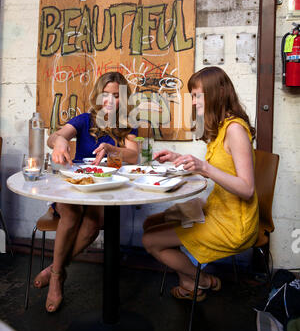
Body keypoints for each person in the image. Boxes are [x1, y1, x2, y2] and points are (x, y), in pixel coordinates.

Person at [142, 66, 259, 301]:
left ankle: (201, 281)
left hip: (234, 224)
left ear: (218, 92)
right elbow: (222, 170)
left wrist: (204, 167)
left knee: (150, 241)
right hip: (215, 209)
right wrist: (178, 160)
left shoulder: (235, 130)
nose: (193, 102)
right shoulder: (220, 128)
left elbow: (246, 189)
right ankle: (189, 281)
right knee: (152, 222)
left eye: (197, 95)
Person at [34, 72, 139, 313]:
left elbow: (133, 155)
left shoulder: (127, 123)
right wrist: (60, 141)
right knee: (71, 215)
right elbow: (54, 136)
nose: (110, 101)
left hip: (103, 188)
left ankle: (55, 268)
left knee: (95, 222)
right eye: (106, 95)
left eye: (116, 96)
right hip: (74, 185)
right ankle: (58, 278)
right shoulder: (84, 119)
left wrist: (114, 148)